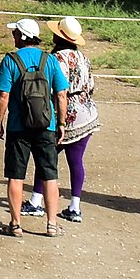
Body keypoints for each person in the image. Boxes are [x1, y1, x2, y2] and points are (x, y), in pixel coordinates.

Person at [0, 18, 71, 236]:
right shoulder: (49, 60)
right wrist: (61, 123)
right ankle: (52, 224)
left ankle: (16, 224)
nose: (13, 36)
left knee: (16, 176)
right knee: (49, 175)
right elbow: (61, 94)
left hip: (18, 126)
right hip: (47, 125)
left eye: (15, 33)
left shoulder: (10, 60)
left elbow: (3, 94)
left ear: (23, 36)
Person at [51, 16, 99, 223]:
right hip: (86, 112)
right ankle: (75, 205)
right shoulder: (83, 58)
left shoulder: (57, 58)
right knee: (76, 160)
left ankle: (36, 200)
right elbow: (91, 86)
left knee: (48, 156)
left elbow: (59, 88)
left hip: (67, 111)